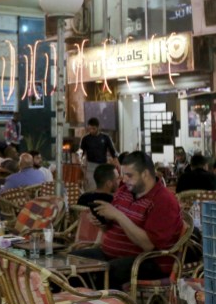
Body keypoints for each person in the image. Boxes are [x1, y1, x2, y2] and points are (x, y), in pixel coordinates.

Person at [71, 151, 183, 290]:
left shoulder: (163, 200)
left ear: (145, 174)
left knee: (105, 272)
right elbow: (112, 227)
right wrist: (103, 222)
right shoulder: (124, 191)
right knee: (71, 262)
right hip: (112, 255)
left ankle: (107, 303)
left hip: (147, 261)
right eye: (122, 175)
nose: (123, 180)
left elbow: (148, 245)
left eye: (129, 175)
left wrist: (118, 215)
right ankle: (77, 301)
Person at [79, 117, 118, 191]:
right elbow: (81, 152)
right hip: (91, 166)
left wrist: (116, 162)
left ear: (98, 127)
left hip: (103, 165)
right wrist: (80, 162)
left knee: (103, 186)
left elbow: (112, 151)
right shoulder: (85, 139)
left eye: (93, 129)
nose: (91, 131)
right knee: (91, 187)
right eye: (90, 129)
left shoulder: (105, 137)